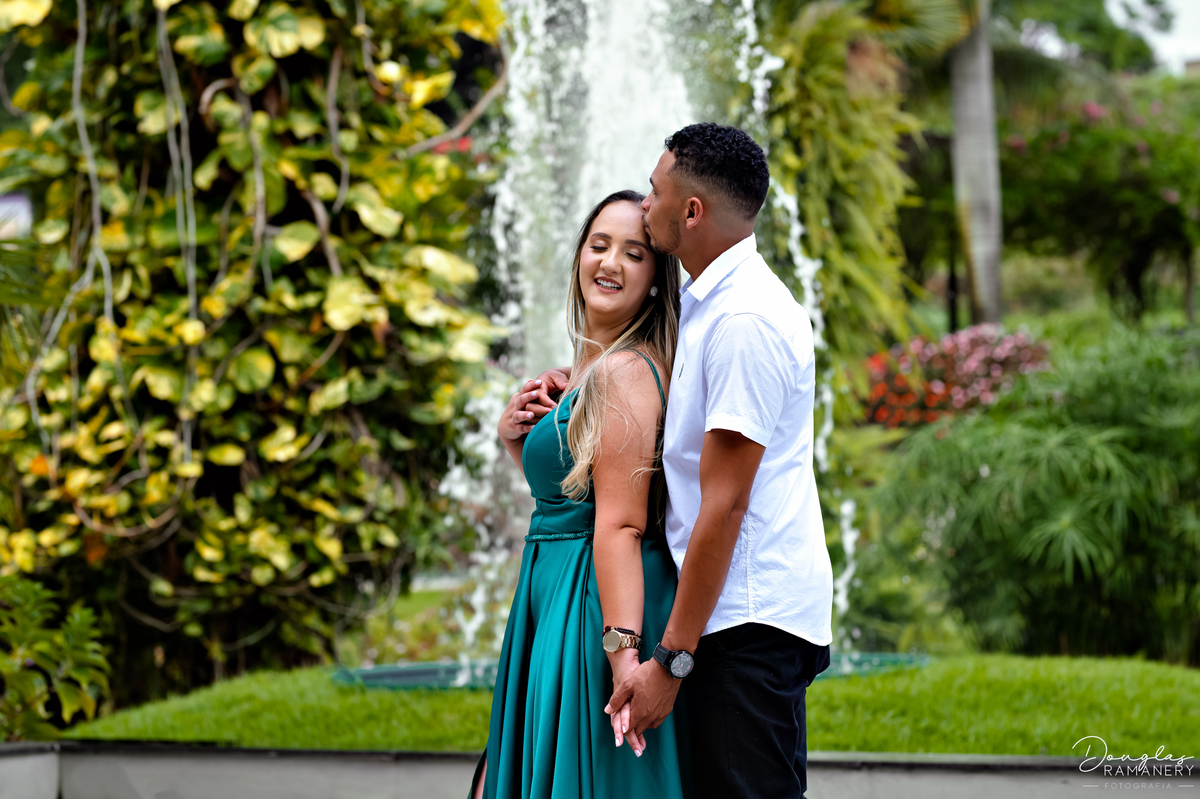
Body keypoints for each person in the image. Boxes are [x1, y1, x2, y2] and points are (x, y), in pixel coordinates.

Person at [528, 124, 833, 798]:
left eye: (656, 190)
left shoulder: (744, 320)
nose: (646, 203)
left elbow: (725, 504)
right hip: (724, 616)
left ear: (691, 211)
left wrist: (670, 659)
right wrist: (569, 398)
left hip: (745, 621)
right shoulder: (709, 304)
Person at [470, 190, 691, 799]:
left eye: (634, 253)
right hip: (558, 589)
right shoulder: (591, 371)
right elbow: (573, 499)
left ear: (655, 280)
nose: (611, 262)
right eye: (599, 245)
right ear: (579, 260)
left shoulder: (625, 372)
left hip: (592, 601)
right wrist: (517, 442)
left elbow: (621, 523)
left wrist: (623, 654)